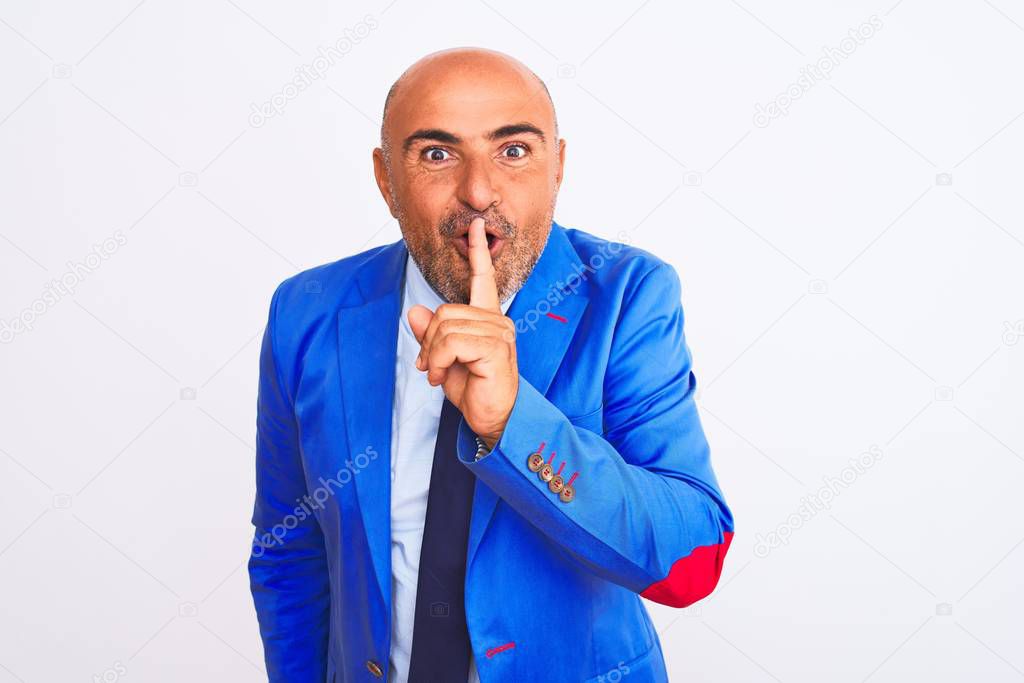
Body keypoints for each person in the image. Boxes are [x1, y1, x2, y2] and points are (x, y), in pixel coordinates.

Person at [248, 46, 733, 683]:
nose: (478, 192)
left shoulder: (629, 296)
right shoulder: (306, 313)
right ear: (386, 178)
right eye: (437, 154)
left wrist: (513, 420)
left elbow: (690, 564)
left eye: (513, 150)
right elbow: (289, 553)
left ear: (557, 166)